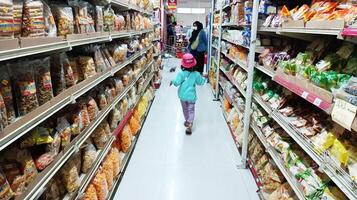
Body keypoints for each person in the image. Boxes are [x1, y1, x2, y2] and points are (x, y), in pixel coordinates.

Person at [170, 53, 206, 135]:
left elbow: (176, 83)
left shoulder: (181, 74)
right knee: (191, 110)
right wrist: (205, 78)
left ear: (183, 64)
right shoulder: (196, 74)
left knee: (185, 109)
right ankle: (190, 123)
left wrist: (172, 81)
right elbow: (200, 82)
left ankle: (187, 120)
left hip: (182, 96)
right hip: (191, 97)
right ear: (193, 64)